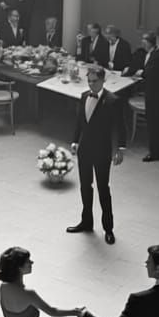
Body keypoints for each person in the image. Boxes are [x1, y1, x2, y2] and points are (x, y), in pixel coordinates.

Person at [66, 64, 126, 245]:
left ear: (102, 80)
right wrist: (75, 141)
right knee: (85, 186)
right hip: (85, 149)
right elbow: (79, 122)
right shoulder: (84, 96)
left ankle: (108, 228)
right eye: (89, 81)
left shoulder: (113, 100)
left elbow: (120, 126)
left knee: (103, 189)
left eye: (94, 81)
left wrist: (119, 149)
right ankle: (86, 222)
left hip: (102, 151)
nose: (91, 85)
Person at [136, 29, 159, 162]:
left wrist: (142, 73)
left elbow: (152, 71)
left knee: (153, 121)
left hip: (156, 92)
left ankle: (154, 152)